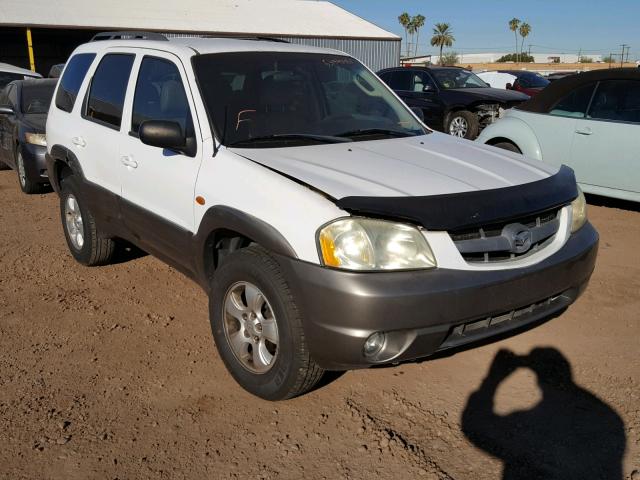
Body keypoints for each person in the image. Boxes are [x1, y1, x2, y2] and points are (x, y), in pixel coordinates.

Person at [462, 348, 626, 480]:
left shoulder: (530, 423)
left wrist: (493, 379)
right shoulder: (607, 417)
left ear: (538, 380)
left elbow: (473, 426)